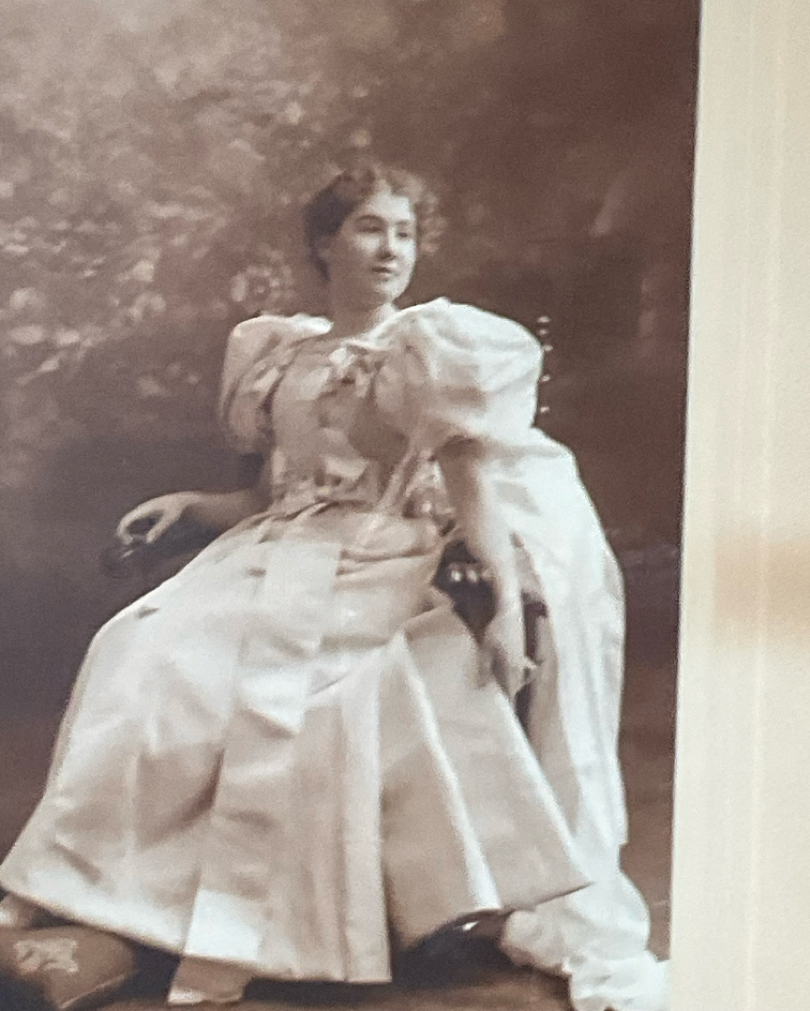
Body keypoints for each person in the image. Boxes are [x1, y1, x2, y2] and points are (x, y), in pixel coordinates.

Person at [0, 162, 667, 1010]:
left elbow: (473, 489)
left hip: (380, 558)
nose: (391, 249)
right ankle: (103, 895)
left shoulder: (432, 351)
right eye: (369, 229)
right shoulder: (279, 354)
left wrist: (505, 600)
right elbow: (267, 495)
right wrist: (191, 505)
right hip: (274, 546)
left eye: (404, 234)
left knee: (310, 696)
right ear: (325, 243)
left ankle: (255, 927)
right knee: (139, 648)